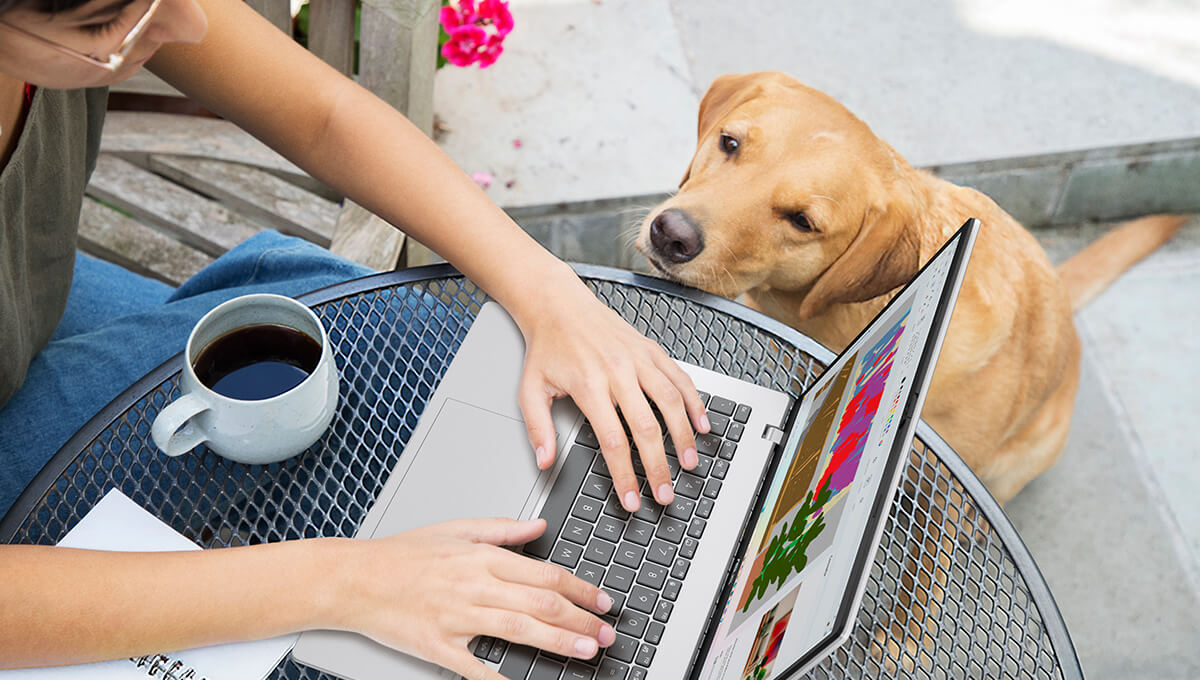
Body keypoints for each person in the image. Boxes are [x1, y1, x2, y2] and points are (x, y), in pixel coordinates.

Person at [0, 0, 713, 675]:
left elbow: (324, 113)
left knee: (327, 326)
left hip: (31, 298)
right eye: (109, 23)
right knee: (335, 360)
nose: (190, 23)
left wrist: (549, 294)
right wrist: (341, 580)